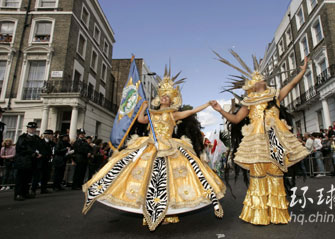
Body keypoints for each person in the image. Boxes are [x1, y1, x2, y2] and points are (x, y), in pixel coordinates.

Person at [82, 68, 225, 231]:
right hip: (149, 147)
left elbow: (191, 111)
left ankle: (167, 211)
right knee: (145, 179)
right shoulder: (152, 113)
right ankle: (148, 209)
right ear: (159, 97)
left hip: (169, 148)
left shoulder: (173, 114)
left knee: (167, 180)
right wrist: (143, 106)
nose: (164, 97)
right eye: (162, 95)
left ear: (172, 100)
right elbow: (141, 119)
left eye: (167, 96)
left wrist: (207, 104)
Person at [211, 51, 310, 225]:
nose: (261, 78)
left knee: (276, 174)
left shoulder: (275, 96)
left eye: (262, 76)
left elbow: (292, 83)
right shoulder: (248, 101)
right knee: (257, 175)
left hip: (275, 139)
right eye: (257, 77)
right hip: (256, 141)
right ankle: (258, 214)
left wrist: (302, 71)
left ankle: (277, 213)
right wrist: (220, 109)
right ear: (252, 84)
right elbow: (235, 119)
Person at [14, 122, 43, 201]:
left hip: (32, 161)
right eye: (30, 128)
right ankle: (18, 194)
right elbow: (21, 148)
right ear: (27, 129)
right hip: (23, 161)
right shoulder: (22, 137)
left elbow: (41, 147)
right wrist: (33, 153)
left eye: (34, 128)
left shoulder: (37, 138)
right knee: (20, 178)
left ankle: (25, 192)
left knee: (28, 178)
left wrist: (40, 153)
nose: (32, 130)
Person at [39, 130, 56, 194]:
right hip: (42, 160)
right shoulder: (41, 142)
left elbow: (54, 150)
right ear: (47, 135)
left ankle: (44, 188)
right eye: (51, 134)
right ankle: (34, 189)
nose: (52, 136)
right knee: (40, 175)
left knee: (46, 175)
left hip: (49, 161)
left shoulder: (51, 143)